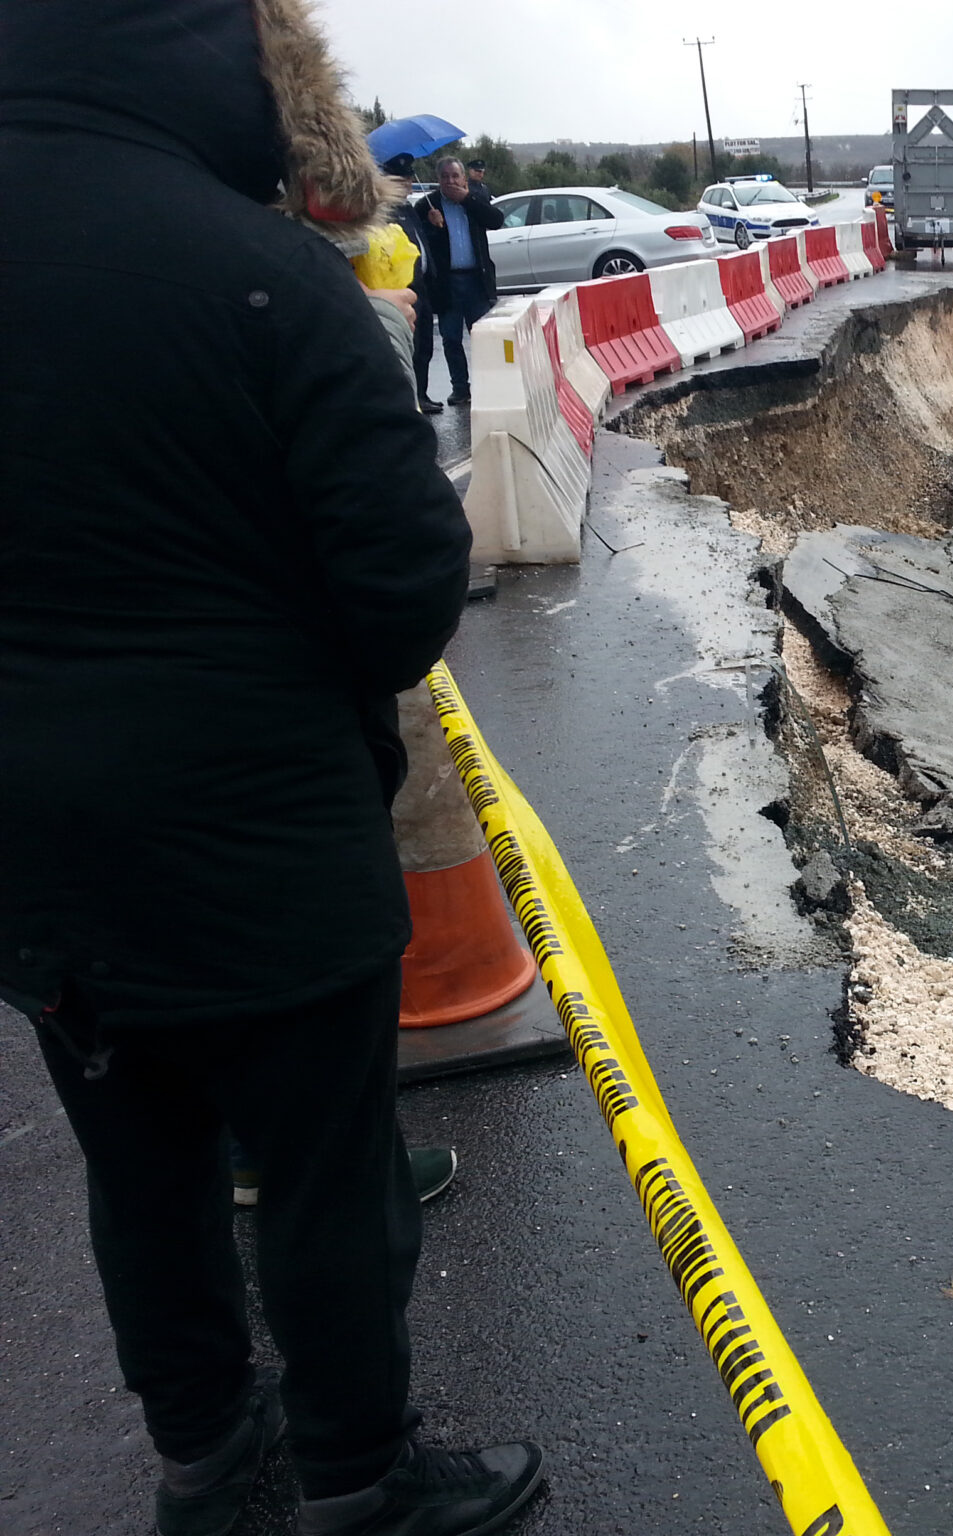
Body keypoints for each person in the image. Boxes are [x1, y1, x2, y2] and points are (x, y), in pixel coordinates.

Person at [0, 4, 542, 1535]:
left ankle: (202, 1457)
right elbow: (398, 590)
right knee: (319, 1167)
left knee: (138, 1164)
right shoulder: (259, 272)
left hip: (33, 850)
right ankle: (360, 1475)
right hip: (256, 828)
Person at [414, 157, 503, 407]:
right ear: (438, 180)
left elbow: (496, 219)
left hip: (476, 279)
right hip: (447, 283)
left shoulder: (474, 199)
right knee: (451, 337)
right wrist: (430, 226)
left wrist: (466, 199)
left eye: (455, 176)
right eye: (445, 177)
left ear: (464, 178)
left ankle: (488, 387)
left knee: (483, 336)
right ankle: (460, 389)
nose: (451, 181)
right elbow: (416, 241)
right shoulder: (427, 205)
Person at [381, 152, 445, 412]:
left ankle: (423, 394)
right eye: (402, 178)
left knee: (425, 346)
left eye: (409, 177)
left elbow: (418, 244)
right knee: (411, 344)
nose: (408, 183)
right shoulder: (385, 210)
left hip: (423, 287)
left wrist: (433, 225)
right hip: (403, 286)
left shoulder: (409, 209)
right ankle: (410, 399)